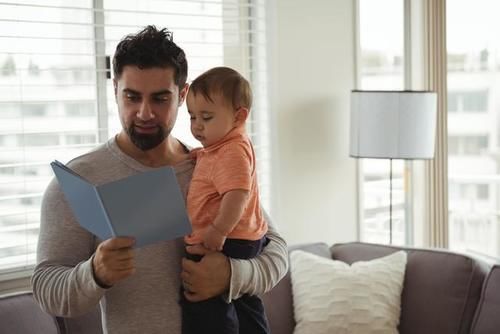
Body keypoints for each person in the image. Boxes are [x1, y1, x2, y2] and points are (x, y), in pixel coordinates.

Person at [31, 25, 288, 334]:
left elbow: (276, 250)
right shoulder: (79, 181)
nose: (144, 113)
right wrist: (94, 273)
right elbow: (47, 290)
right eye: (132, 96)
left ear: (183, 95)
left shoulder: (211, 164)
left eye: (160, 98)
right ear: (115, 91)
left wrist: (233, 275)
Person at [181, 67, 270, 334]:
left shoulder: (231, 151)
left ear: (239, 116)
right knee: (244, 301)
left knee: (204, 300)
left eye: (206, 117)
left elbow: (237, 194)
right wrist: (202, 155)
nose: (196, 125)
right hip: (244, 236)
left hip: (230, 239)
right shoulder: (223, 147)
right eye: (192, 116)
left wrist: (218, 230)